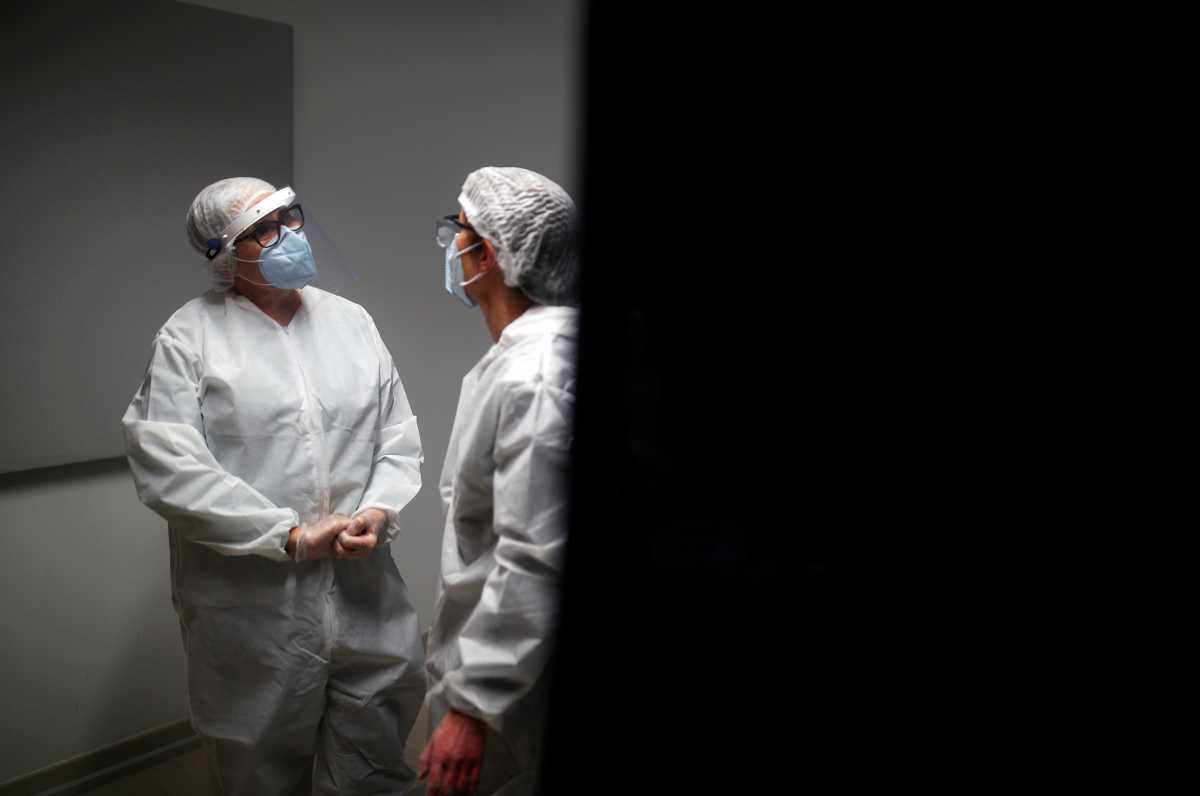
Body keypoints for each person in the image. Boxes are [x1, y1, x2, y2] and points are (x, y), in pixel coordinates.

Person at [121, 177, 425, 795]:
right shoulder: (189, 337)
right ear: (224, 255)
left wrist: (378, 509)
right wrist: (284, 534)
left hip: (367, 596)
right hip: (256, 612)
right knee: (258, 771)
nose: (286, 235)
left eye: (289, 217)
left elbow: (396, 436)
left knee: (374, 767)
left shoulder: (349, 321)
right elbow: (168, 464)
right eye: (261, 229)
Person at [420, 167, 580, 796]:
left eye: (456, 231)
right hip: (505, 660)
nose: (452, 247)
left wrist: (471, 704)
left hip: (511, 684)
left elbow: (534, 552)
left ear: (486, 253)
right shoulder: (524, 357)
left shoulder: (534, 376)